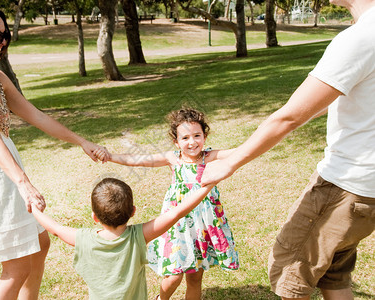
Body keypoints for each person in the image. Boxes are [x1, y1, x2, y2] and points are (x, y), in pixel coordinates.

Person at [200, 0, 375, 298]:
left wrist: (231, 162)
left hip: (344, 188)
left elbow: (289, 117)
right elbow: (329, 99)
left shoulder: (360, 37)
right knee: (334, 274)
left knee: (289, 270)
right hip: (366, 194)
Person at [0, 3, 108, 299]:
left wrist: (81, 141)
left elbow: (38, 116)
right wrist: (23, 183)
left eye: (5, 34)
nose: (4, 41)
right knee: (16, 268)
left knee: (39, 245)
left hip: (7, 166)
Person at [98, 108, 239, 300]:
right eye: (185, 138)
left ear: (205, 136)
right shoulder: (173, 158)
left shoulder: (210, 157)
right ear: (176, 141)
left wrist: (271, 134)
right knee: (174, 275)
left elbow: (241, 152)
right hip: (177, 225)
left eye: (197, 135)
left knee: (196, 277)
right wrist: (110, 156)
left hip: (202, 226)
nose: (192, 142)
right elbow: (138, 161)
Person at [31, 177, 214, 299]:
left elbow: (55, 229)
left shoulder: (83, 239)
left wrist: (35, 209)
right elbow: (175, 214)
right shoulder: (139, 236)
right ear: (133, 211)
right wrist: (208, 185)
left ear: (94, 216)